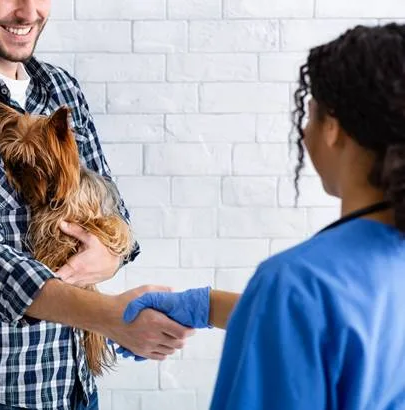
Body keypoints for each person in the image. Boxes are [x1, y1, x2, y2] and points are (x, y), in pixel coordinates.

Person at [0, 1, 194, 409]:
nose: (27, 11)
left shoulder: (61, 87)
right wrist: (111, 316)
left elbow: (113, 211)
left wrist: (110, 255)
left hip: (74, 387)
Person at [123, 23, 405, 409]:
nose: (304, 132)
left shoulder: (297, 283)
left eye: (310, 115)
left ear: (333, 129)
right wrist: (206, 306)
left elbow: (310, 319)